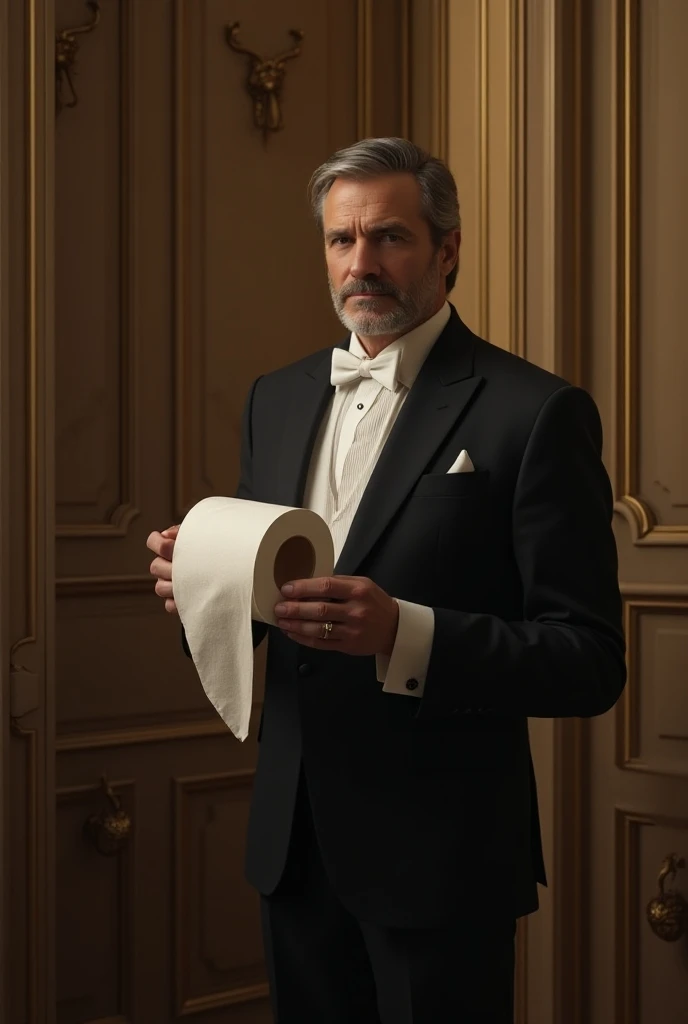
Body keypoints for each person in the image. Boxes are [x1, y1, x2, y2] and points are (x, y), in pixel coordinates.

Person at [147, 138, 625, 1023]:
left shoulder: (537, 411)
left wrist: (404, 632)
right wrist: (204, 584)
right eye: (341, 240)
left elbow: (589, 660)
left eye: (390, 238)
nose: (360, 264)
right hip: (293, 847)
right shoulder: (276, 397)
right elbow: (264, 611)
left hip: (442, 861)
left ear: (447, 249)